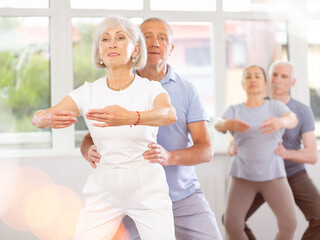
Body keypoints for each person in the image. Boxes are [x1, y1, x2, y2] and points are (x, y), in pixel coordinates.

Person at [32, 16, 177, 240]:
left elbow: (169, 114)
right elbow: (42, 116)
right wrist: (43, 119)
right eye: (105, 39)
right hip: (104, 190)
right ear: (100, 51)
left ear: (136, 49)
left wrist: (130, 116)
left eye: (120, 38)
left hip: (147, 188)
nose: (112, 44)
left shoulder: (150, 89)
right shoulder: (88, 92)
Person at [80, 17, 223, 240]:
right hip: (135, 198)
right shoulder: (116, 85)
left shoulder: (187, 90)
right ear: (137, 46)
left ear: (171, 48)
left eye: (162, 38)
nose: (155, 43)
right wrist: (88, 150)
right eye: (147, 37)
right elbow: (91, 137)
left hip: (183, 198)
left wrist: (168, 156)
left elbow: (205, 150)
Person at [227, 60, 320, 240]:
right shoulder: (254, 105)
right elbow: (233, 132)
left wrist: (286, 153)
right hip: (258, 174)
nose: (277, 80)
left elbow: (312, 155)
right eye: (274, 75)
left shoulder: (302, 111)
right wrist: (232, 144)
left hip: (292, 174)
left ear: (292, 83)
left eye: (283, 77)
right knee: (231, 221)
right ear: (268, 80)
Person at [215, 65, 298, 240]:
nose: (253, 79)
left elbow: (293, 119)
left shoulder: (275, 107)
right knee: (232, 224)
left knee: (289, 224)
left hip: (273, 175)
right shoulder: (235, 110)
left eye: (257, 76)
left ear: (265, 83)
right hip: (242, 175)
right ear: (243, 84)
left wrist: (280, 122)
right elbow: (218, 124)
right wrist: (229, 124)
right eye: (248, 77)